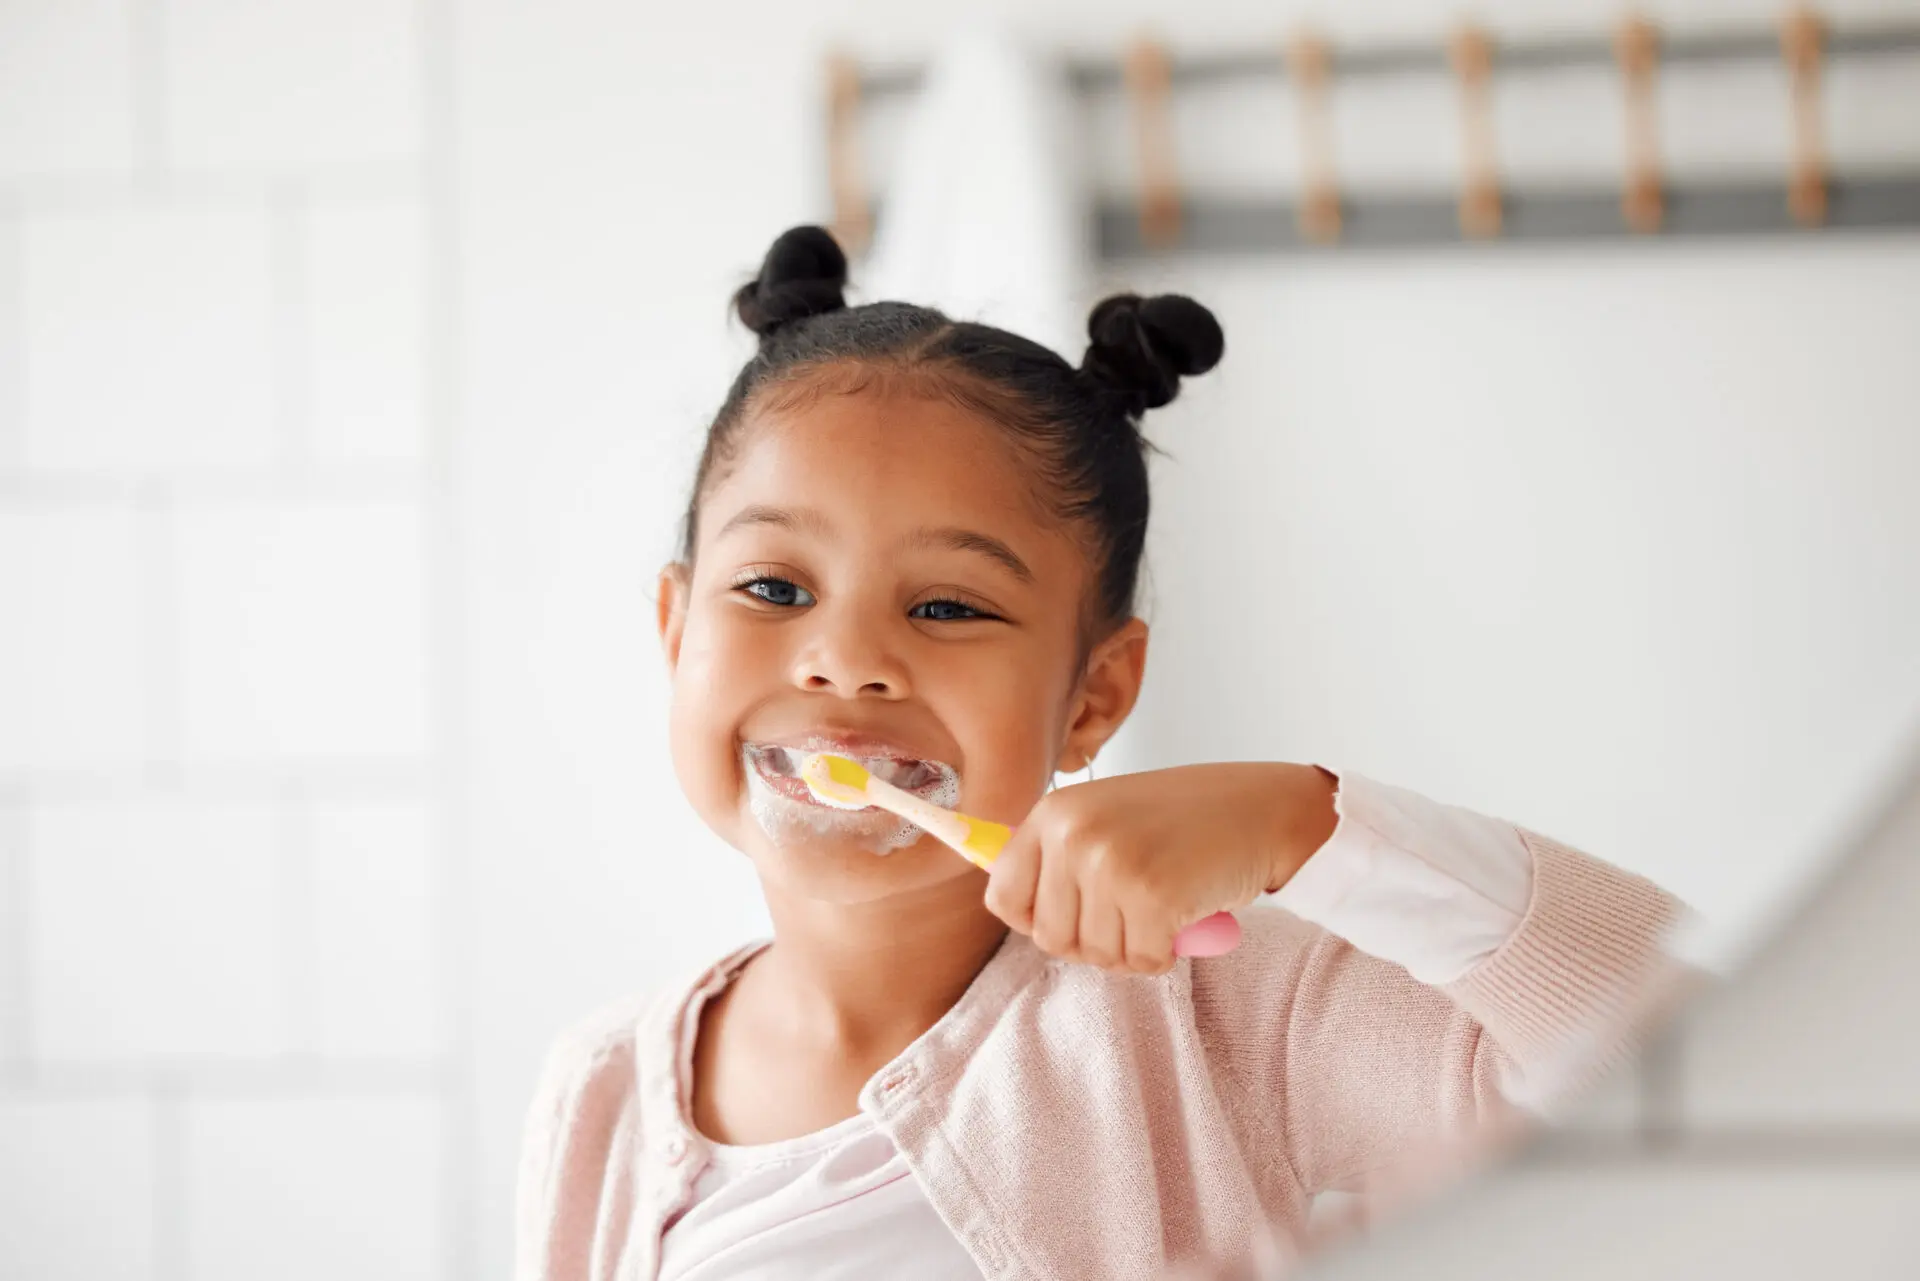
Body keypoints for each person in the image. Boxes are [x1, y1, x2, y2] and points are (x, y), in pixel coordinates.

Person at [515, 226, 1683, 1281]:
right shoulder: (601, 1090)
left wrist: (1305, 825)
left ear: (1096, 694)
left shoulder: (1223, 1020)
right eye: (773, 587)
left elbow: (1696, 1066)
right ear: (677, 632)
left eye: (948, 608)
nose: (844, 660)